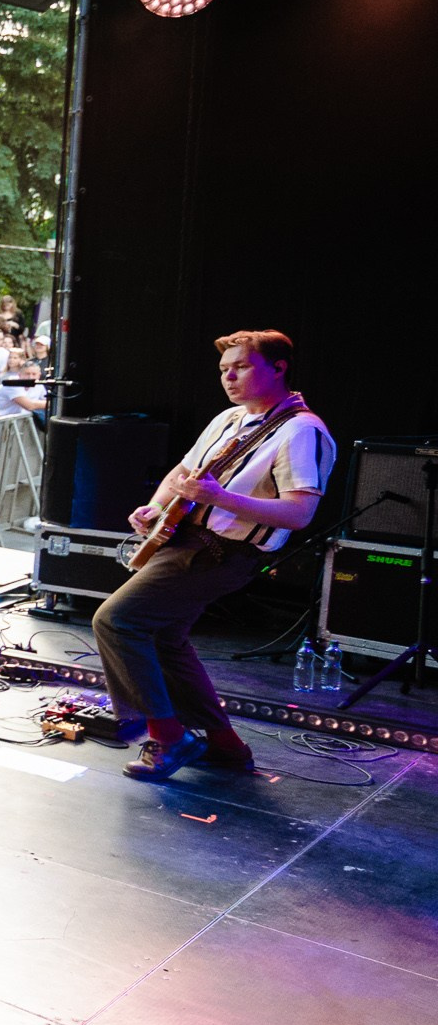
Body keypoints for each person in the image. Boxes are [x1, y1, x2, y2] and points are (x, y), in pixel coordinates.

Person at [102, 330, 331, 781]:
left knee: (116, 620)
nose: (229, 377)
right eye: (224, 369)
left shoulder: (302, 430)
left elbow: (300, 512)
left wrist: (221, 498)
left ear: (278, 367)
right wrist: (157, 506)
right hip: (186, 539)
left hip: (222, 551)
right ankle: (226, 747)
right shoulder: (229, 419)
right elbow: (185, 472)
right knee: (165, 640)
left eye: (240, 366)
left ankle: (169, 738)